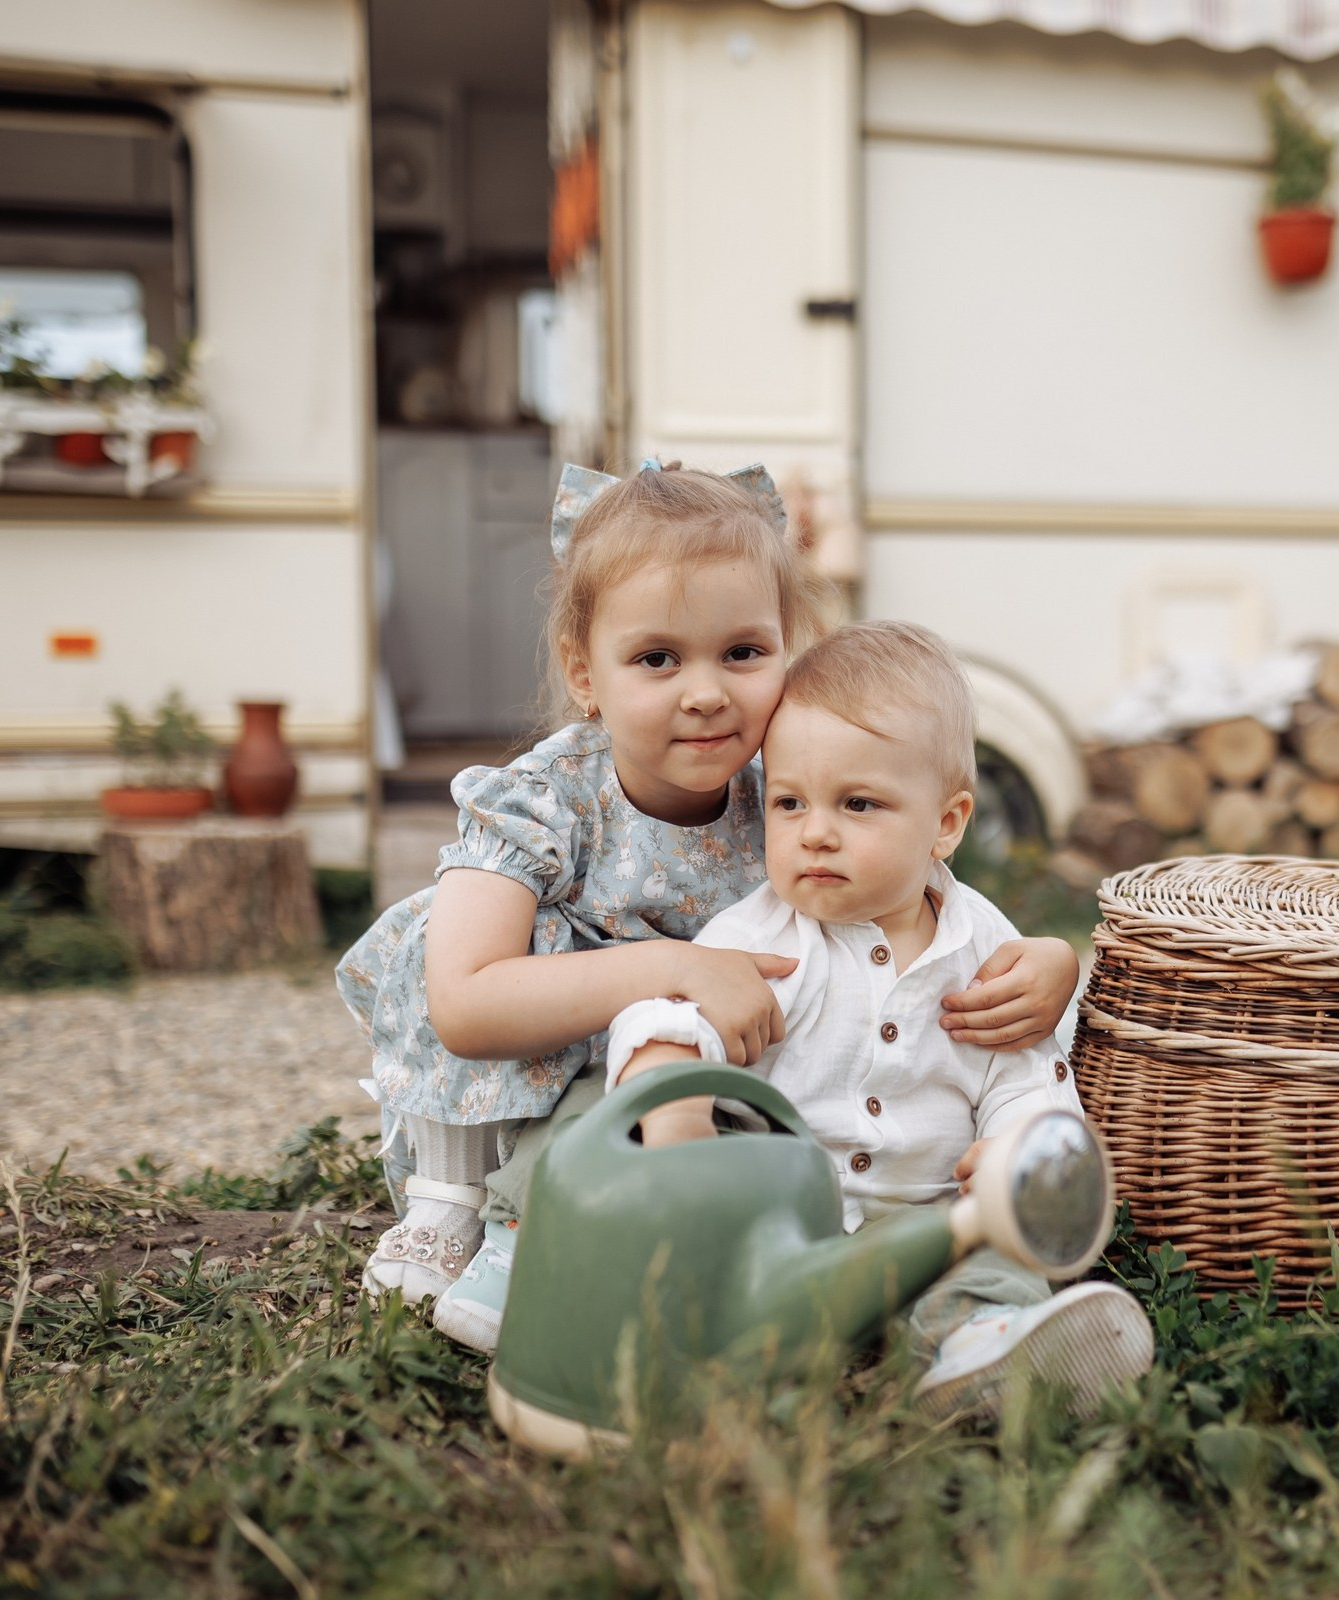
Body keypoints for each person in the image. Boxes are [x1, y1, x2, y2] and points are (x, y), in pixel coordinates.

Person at [336, 462, 1085, 1352]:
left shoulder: (794, 782)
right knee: (570, 1093)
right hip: (535, 1051)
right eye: (657, 658)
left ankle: (964, 1323)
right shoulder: (543, 801)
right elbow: (463, 1003)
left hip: (718, 1064)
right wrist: (678, 966)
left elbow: (914, 875)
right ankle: (475, 1213)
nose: (706, 692)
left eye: (742, 652)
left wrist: (1046, 960)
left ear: (789, 650)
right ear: (585, 674)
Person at [604, 621, 1154, 1420]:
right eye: (790, 802)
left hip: (934, 1223)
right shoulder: (759, 942)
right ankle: (760, 1356)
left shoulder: (986, 948)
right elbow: (670, 1020)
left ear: (947, 824)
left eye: (859, 804)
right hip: (786, 1227)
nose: (815, 831)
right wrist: (672, 1091)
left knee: (996, 1258)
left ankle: (975, 1345)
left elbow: (1023, 1070)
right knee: (716, 1263)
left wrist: (1017, 1143)